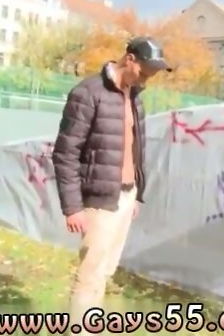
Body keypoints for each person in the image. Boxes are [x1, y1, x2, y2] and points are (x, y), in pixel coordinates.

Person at [51, 36, 172, 328]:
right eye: (144, 73)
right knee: (90, 273)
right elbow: (65, 153)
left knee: (105, 270)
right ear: (129, 59)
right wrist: (72, 207)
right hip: (99, 198)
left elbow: (135, 148)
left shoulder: (135, 97)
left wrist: (136, 194)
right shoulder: (88, 93)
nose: (146, 80)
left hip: (125, 198)